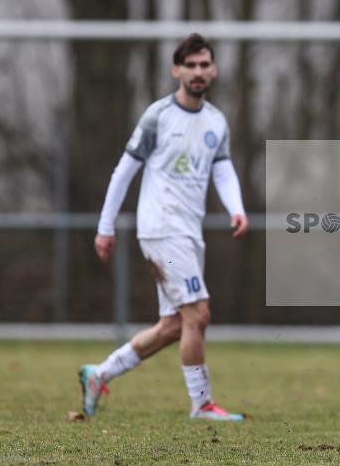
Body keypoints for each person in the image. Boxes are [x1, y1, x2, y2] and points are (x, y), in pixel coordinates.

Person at [80, 33, 249, 422]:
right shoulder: (158, 117)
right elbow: (123, 173)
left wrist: (236, 209)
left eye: (204, 64)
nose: (198, 71)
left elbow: (222, 170)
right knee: (198, 314)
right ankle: (202, 404)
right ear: (176, 70)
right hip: (160, 229)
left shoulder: (216, 121)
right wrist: (105, 227)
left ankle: (99, 374)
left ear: (214, 70)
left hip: (188, 233)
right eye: (190, 65)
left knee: (174, 325)